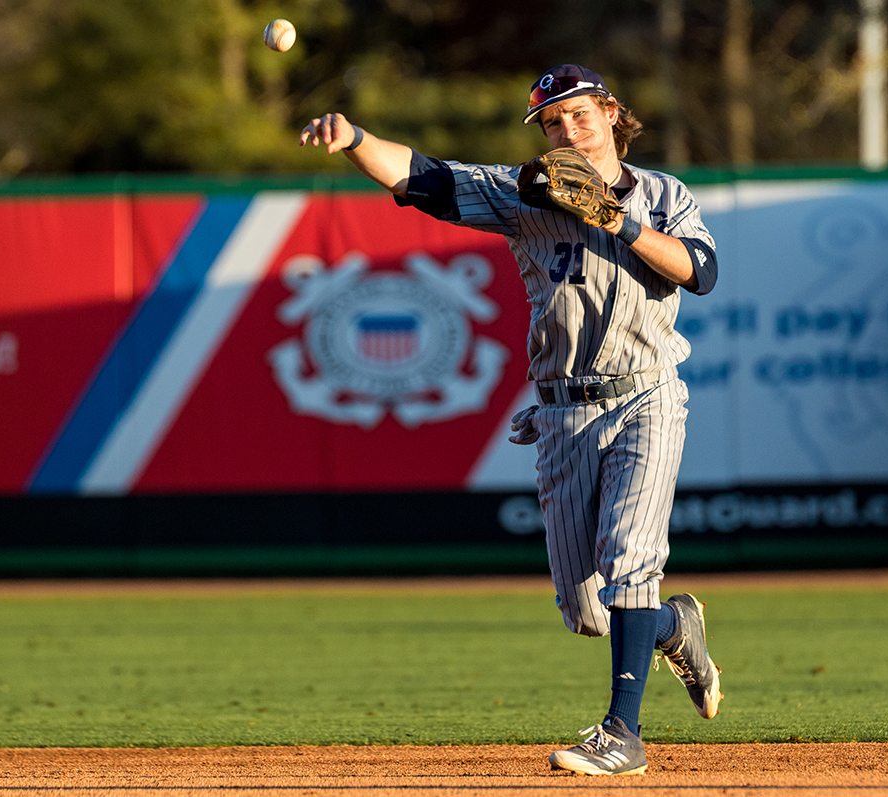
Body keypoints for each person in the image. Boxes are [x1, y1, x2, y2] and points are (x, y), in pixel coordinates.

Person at [300, 64, 721, 777]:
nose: (568, 131)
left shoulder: (665, 195)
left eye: (580, 116)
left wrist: (617, 221)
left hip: (647, 393)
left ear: (612, 114)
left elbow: (699, 271)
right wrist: (355, 139)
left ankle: (623, 732)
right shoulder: (525, 195)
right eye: (554, 122)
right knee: (590, 610)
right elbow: (424, 179)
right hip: (563, 411)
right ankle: (677, 625)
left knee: (630, 561)